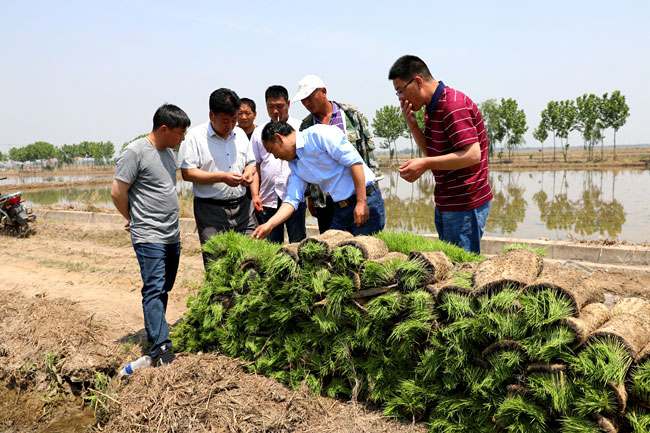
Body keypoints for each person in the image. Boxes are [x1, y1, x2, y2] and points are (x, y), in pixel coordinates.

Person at [111, 103, 191, 366]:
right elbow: (117, 192)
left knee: (165, 286)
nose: (182, 138)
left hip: (171, 234)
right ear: (164, 128)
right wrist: (132, 218)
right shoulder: (135, 152)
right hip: (148, 234)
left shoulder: (168, 153)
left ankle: (155, 332)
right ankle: (161, 348)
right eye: (180, 132)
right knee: (154, 288)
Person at [388, 55, 492, 254]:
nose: (400, 98)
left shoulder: (452, 105)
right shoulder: (433, 107)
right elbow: (432, 152)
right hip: (448, 200)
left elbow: (472, 155)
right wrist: (413, 126)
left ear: (418, 82)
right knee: (449, 263)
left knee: (461, 265)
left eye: (400, 90)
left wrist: (425, 164)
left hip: (464, 202)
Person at [251, 121, 385, 241]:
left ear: (278, 138)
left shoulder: (319, 135)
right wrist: (269, 224)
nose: (275, 157)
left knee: (363, 252)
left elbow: (354, 163)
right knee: (333, 252)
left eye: (272, 151)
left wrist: (361, 202)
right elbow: (291, 199)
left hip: (365, 199)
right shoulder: (295, 165)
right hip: (340, 209)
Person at [292, 75, 382, 234]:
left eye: (309, 97)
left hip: (357, 192)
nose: (306, 103)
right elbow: (308, 164)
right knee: (330, 241)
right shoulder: (306, 126)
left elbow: (366, 149)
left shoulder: (349, 114)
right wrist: (311, 197)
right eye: (303, 100)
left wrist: (373, 185)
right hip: (326, 199)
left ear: (323, 92)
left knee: (362, 240)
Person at [178, 88, 257, 268]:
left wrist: (248, 173)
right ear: (211, 115)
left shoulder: (240, 135)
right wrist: (222, 177)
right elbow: (188, 173)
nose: (230, 126)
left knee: (249, 262)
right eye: (225, 121)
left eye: (234, 120)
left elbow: (251, 163)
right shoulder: (195, 137)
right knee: (217, 265)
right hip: (211, 211)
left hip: (243, 209)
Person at [249, 85, 306, 244]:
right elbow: (255, 166)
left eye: (280, 106)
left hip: (295, 194)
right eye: (271, 107)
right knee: (271, 243)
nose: (275, 111)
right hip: (269, 196)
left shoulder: (301, 128)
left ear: (288, 104)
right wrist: (255, 195)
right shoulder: (259, 132)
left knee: (297, 242)